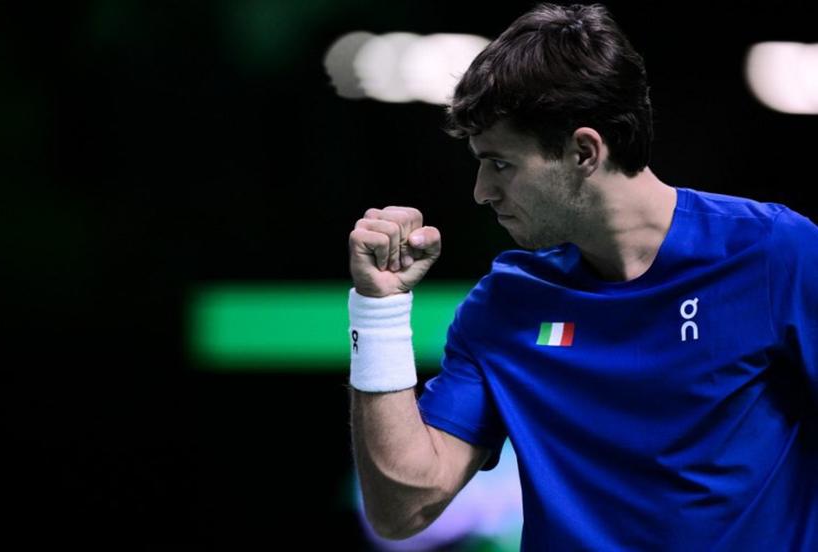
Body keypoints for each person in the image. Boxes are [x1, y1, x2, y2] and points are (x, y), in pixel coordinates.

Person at [346, 2, 818, 550]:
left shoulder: (775, 255)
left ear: (584, 151)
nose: (481, 191)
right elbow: (401, 508)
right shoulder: (505, 304)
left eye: (500, 163)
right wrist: (377, 310)